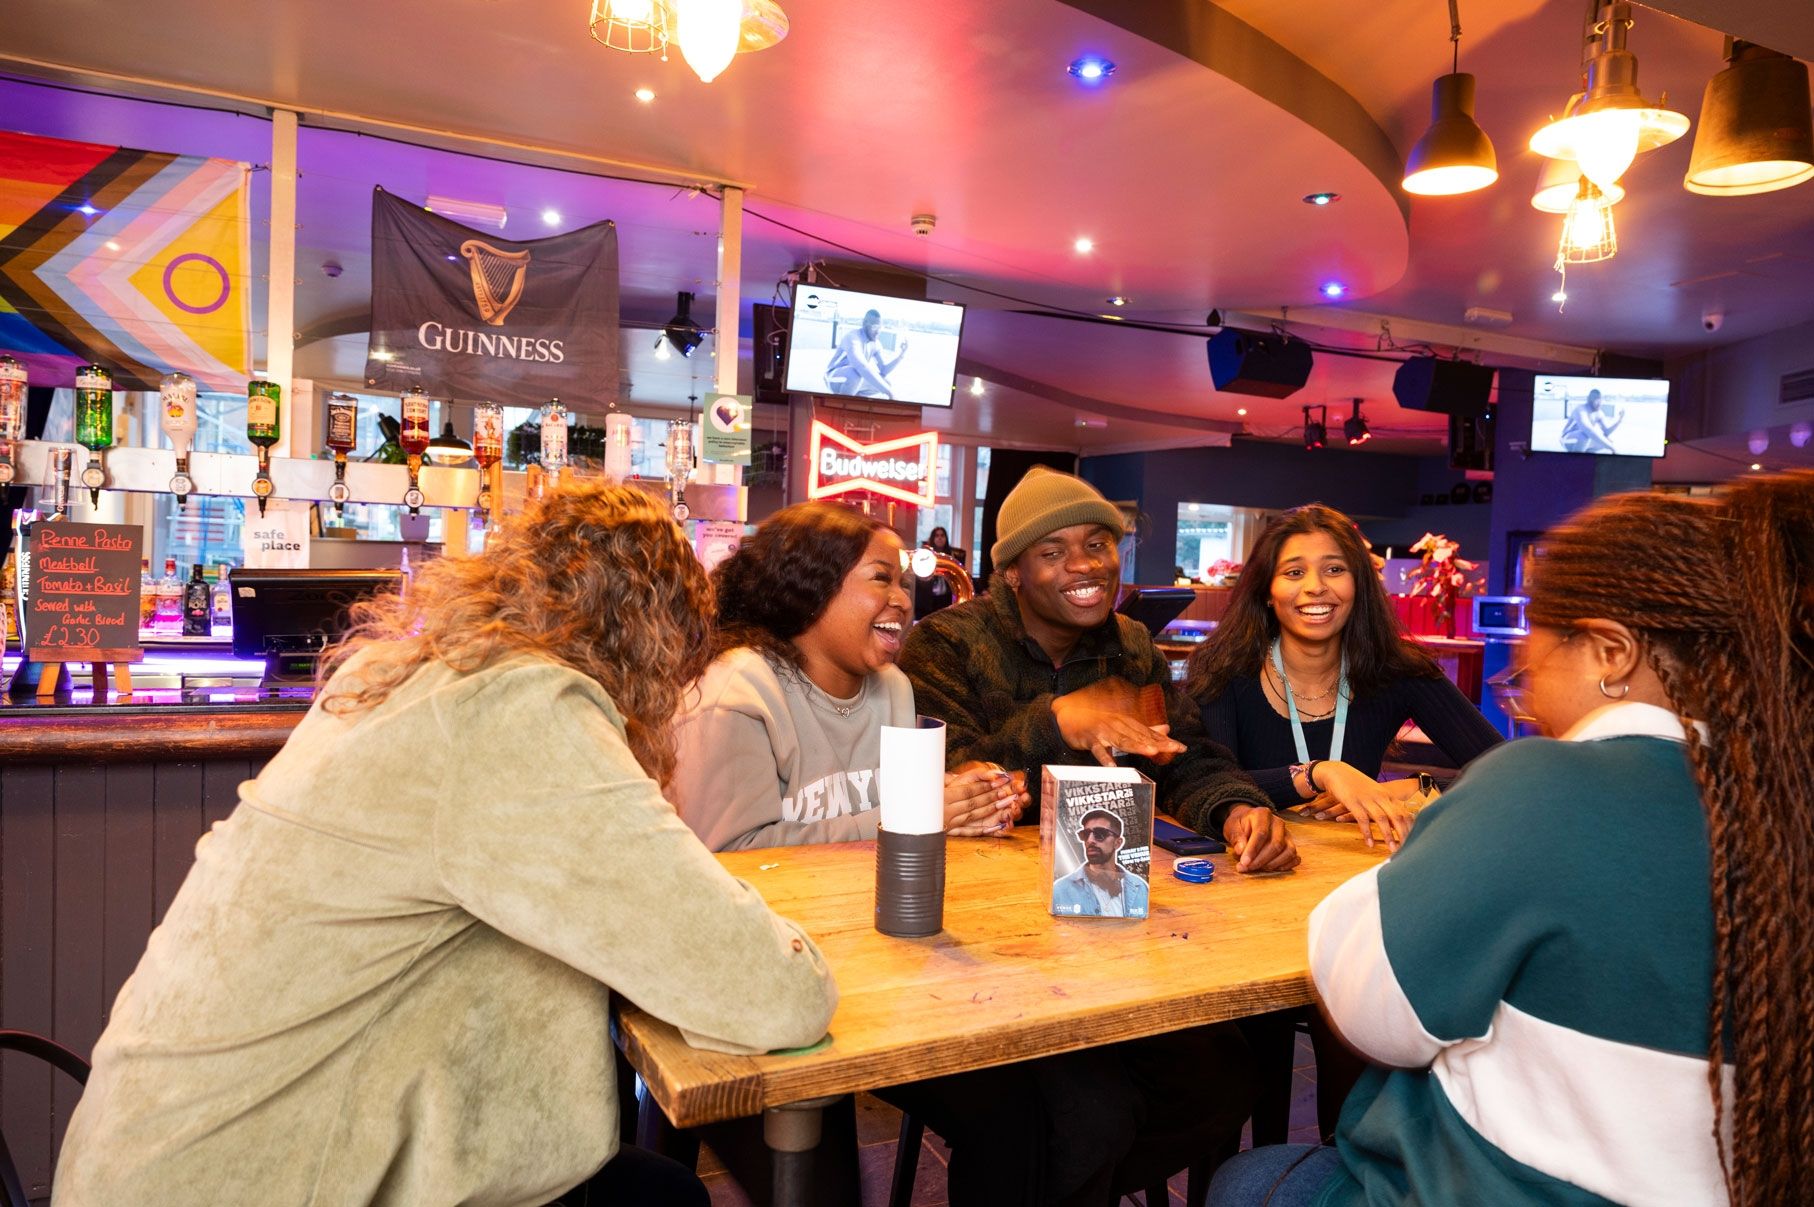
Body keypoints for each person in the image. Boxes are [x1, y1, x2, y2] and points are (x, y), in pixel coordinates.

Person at [53, 484, 839, 1207]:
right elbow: (775, 993)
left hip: (162, 1156)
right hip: (256, 1177)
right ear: (657, 639)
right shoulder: (516, 712)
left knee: (653, 1188)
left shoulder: (415, 678)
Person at [1208, 470, 1814, 1207]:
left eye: (1538, 631)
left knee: (1241, 1177)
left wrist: (1439, 802)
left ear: (1611, 652)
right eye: (1294, 569)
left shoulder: (1538, 783)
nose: (1522, 660)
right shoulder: (1779, 797)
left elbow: (1368, 1004)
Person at [899, 465, 1282, 1198]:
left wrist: (1234, 806)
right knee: (1084, 1116)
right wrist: (1057, 719)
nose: (1085, 565)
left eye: (1099, 543)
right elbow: (944, 778)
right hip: (981, 952)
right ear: (1011, 570)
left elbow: (1184, 753)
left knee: (1224, 1073)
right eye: (1053, 551)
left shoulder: (1133, 645)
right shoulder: (944, 644)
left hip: (1108, 936)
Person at [670, 502, 1021, 850]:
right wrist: (915, 818)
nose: (903, 600)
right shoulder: (738, 690)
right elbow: (731, 852)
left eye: (903, 583)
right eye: (882, 578)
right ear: (811, 588)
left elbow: (883, 802)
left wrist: (972, 798)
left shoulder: (893, 686)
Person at [1186, 503, 1502, 853]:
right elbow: (1211, 782)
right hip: (1250, 874)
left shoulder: (1400, 670)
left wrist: (1415, 786)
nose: (1315, 587)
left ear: (1359, 584)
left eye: (1334, 569)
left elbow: (1508, 771)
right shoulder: (1223, 668)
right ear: (1266, 592)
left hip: (1357, 869)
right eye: (1293, 573)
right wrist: (1320, 774)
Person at [1051, 807, 1150, 917]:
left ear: (1118, 843)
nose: (1090, 840)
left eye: (1100, 834)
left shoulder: (1139, 887)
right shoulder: (1060, 890)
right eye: (1085, 834)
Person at [822, 307, 907, 398]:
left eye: (880, 327)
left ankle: (854, 397)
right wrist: (889, 393)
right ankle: (843, 405)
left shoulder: (876, 344)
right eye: (874, 327)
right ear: (864, 324)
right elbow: (861, 367)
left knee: (886, 383)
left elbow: (884, 370)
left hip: (853, 378)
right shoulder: (853, 338)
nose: (878, 332)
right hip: (832, 377)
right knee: (855, 375)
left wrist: (901, 356)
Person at [912, 524, 969, 617]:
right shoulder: (925, 554)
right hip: (928, 597)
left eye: (942, 535)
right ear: (933, 538)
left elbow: (964, 572)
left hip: (945, 597)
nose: (940, 538)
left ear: (946, 538)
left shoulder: (951, 556)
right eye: (937, 535)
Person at [1558, 386, 1624, 452]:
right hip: (1566, 438)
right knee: (1584, 436)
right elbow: (1588, 430)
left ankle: (1587, 456)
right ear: (1590, 400)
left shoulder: (1599, 413)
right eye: (1596, 400)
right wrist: (1611, 448)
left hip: (1582, 439)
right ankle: (1576, 460)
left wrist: (1619, 420)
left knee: (1608, 440)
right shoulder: (1581, 409)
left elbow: (1606, 432)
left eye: (1600, 400)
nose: (1599, 403)